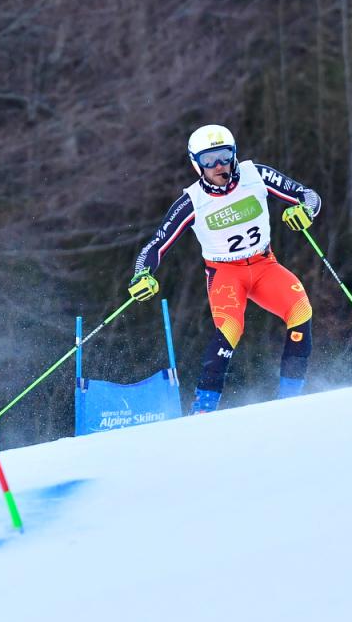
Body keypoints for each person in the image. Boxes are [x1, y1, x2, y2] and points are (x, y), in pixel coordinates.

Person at [127, 124, 321, 413]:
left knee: (301, 311)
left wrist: (304, 211)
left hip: (264, 264)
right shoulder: (192, 201)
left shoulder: (256, 175)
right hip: (226, 274)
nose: (218, 165)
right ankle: (204, 408)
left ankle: (291, 400)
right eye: (209, 160)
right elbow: (156, 244)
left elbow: (307, 194)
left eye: (224, 156)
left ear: (234, 154)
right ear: (197, 165)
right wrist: (142, 274)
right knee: (230, 329)